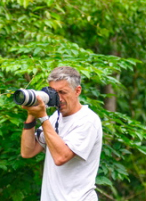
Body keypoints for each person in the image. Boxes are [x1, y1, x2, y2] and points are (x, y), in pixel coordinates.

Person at [20, 66, 103, 201]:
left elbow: (61, 157)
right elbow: (27, 152)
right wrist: (31, 115)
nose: (59, 98)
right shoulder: (54, 119)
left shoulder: (88, 120)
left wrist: (43, 117)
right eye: (54, 92)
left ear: (77, 91)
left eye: (63, 92)